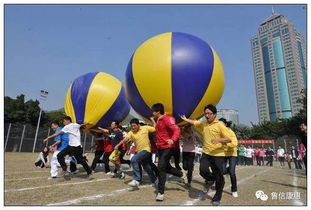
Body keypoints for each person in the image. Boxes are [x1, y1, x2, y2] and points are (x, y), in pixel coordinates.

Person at [181, 104, 232, 206]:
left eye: (209, 113)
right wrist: (186, 119)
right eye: (205, 114)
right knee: (202, 170)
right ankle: (210, 179)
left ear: (215, 114)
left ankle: (217, 197)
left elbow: (229, 139)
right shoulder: (204, 123)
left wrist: (218, 139)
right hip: (206, 153)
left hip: (218, 154)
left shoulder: (220, 125)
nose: (207, 115)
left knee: (218, 175)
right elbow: (195, 122)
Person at [151, 103, 183, 202]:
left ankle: (160, 192)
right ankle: (181, 173)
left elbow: (177, 129)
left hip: (169, 147)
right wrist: (153, 121)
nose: (152, 113)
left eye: (153, 111)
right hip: (160, 148)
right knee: (166, 167)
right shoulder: (159, 120)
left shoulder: (167, 119)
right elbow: (157, 129)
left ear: (158, 112)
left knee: (161, 167)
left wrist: (173, 139)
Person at [114, 118, 157, 187]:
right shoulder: (131, 132)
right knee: (147, 168)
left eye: (134, 126)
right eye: (132, 126)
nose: (133, 127)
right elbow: (125, 139)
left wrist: (153, 121)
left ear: (138, 125)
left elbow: (155, 128)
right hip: (139, 151)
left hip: (146, 150)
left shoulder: (145, 128)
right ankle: (155, 180)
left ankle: (136, 179)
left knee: (133, 159)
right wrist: (118, 145)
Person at [218, 118, 239, 198]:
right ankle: (227, 170)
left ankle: (234, 190)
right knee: (222, 171)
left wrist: (225, 144)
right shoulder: (218, 133)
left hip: (232, 154)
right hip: (223, 154)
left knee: (232, 173)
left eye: (222, 124)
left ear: (225, 124)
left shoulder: (230, 132)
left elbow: (235, 143)